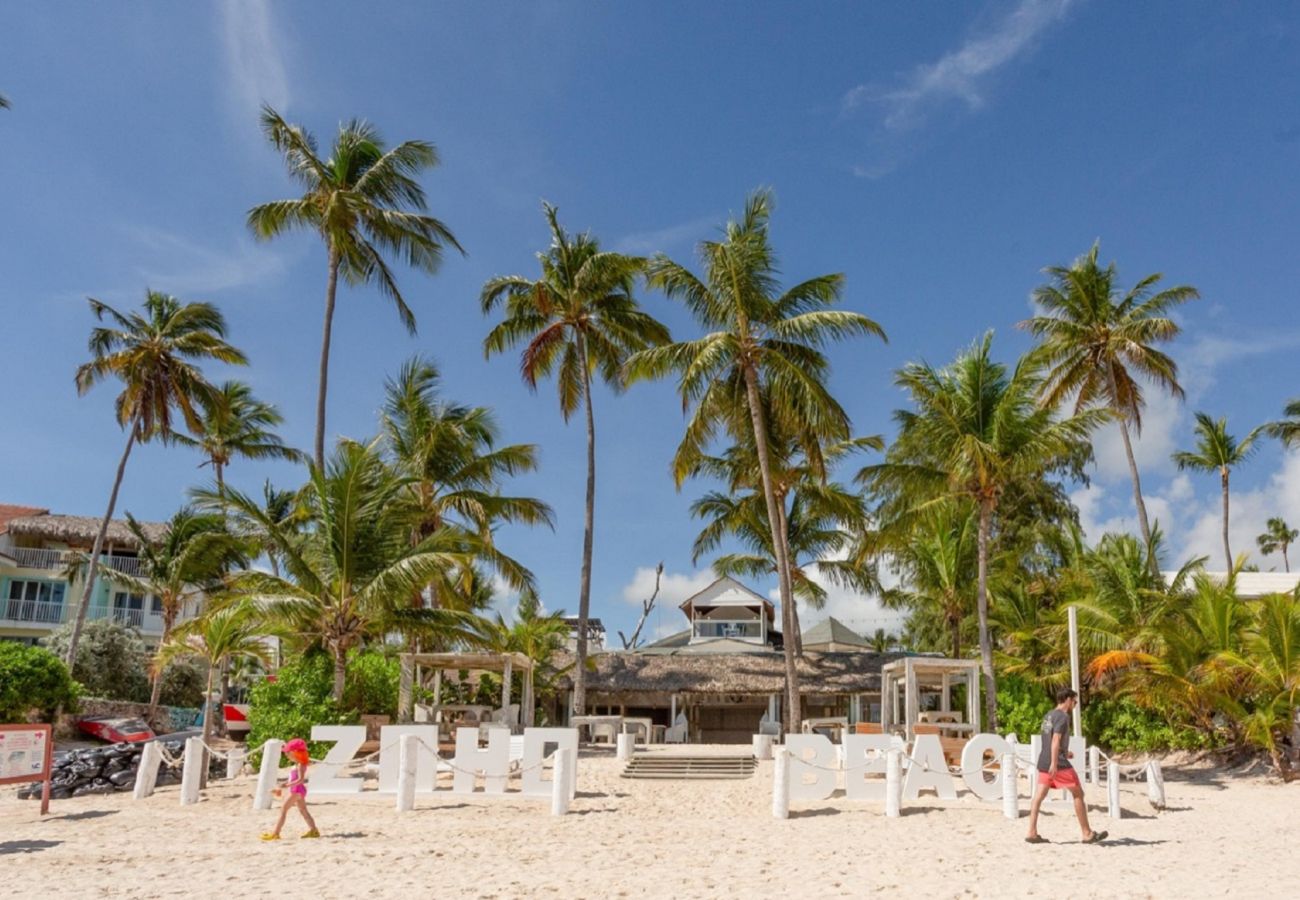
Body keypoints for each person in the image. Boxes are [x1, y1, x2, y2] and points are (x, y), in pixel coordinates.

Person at [1025, 688, 1107, 845]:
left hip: (1043, 760)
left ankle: (1031, 832)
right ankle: (1087, 834)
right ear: (1068, 700)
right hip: (1058, 763)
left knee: (1038, 796)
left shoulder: (1048, 715)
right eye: (1075, 701)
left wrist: (1064, 751)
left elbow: (1048, 740)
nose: (1075, 705)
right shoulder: (1063, 717)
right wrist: (1055, 763)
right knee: (1078, 793)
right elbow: (1055, 740)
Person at [261, 738, 320, 841]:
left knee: (283, 810)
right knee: (303, 810)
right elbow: (294, 780)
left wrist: (286, 785)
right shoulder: (299, 764)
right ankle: (314, 830)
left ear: (295, 752)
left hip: (296, 790)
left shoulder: (300, 765)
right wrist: (283, 789)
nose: (286, 755)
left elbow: (300, 780)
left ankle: (276, 833)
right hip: (298, 790)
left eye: (288, 753)